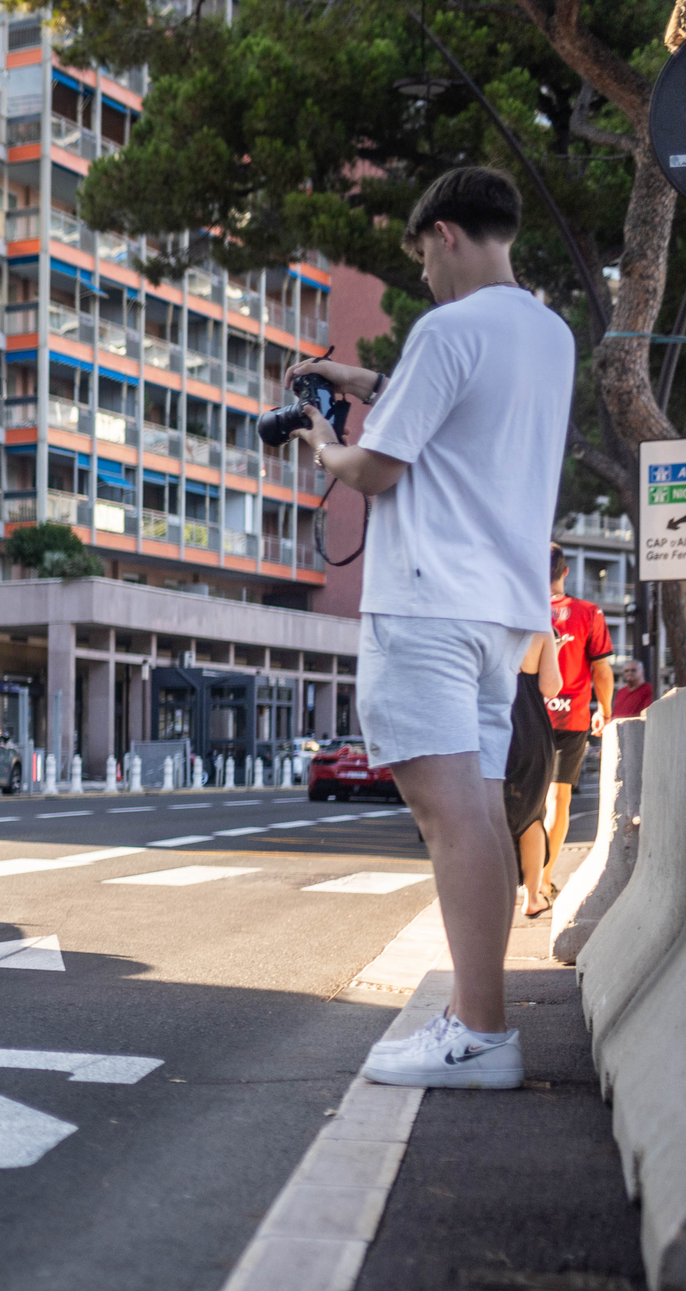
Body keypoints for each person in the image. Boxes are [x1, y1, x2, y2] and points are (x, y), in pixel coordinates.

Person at [289, 165, 574, 1090]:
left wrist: (318, 442)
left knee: (447, 821)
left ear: (444, 233)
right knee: (480, 813)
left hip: (425, 601)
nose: (425, 279)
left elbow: (375, 470)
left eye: (422, 259)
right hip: (501, 610)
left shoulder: (448, 330)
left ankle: (482, 1035)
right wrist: (364, 378)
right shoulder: (549, 333)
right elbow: (462, 410)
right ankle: (473, 1019)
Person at [540, 545, 614, 888]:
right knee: (559, 799)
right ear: (565, 571)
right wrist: (605, 709)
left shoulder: (526, 612)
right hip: (572, 718)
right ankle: (543, 877)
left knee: (526, 797)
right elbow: (601, 670)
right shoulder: (590, 613)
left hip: (529, 716)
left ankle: (523, 869)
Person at [506, 633, 553, 918]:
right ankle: (532, 897)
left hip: (492, 729)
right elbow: (552, 686)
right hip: (532, 731)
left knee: (489, 812)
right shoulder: (540, 631)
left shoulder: (486, 622)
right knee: (532, 814)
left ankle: (491, 892)